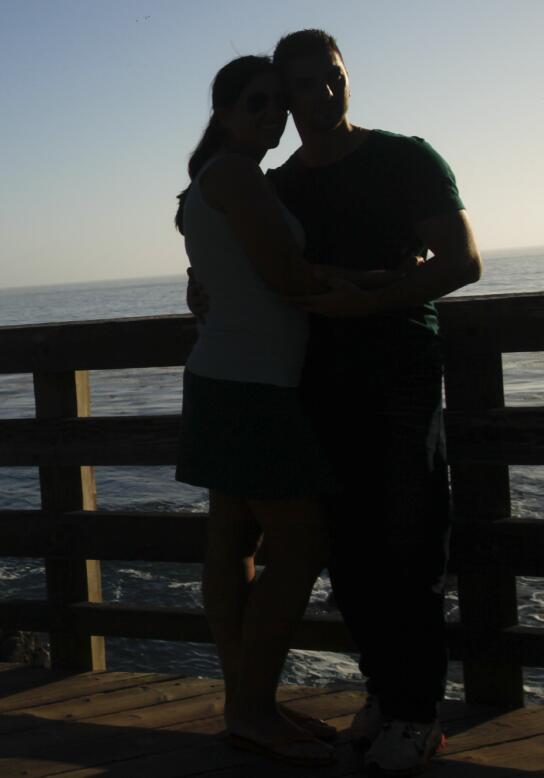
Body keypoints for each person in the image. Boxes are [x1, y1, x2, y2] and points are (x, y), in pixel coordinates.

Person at [191, 30, 483, 775]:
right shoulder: (278, 182)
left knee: (407, 541)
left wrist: (375, 297)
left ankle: (418, 714)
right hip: (311, 379)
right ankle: (386, 697)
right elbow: (237, 274)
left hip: (398, 374)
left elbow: (462, 262)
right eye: (299, 89)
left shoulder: (404, 158)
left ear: (348, 75)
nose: (318, 97)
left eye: (332, 79)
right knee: (347, 552)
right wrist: (356, 293)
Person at [174, 54, 351, 768]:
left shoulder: (209, 180)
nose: (273, 115)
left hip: (228, 378)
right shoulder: (236, 175)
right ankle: (251, 707)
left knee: (234, 541)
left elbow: (223, 271)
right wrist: (386, 280)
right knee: (301, 543)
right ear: (222, 111)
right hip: (249, 385)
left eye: (279, 103)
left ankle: (248, 703)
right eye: (257, 103)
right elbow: (284, 276)